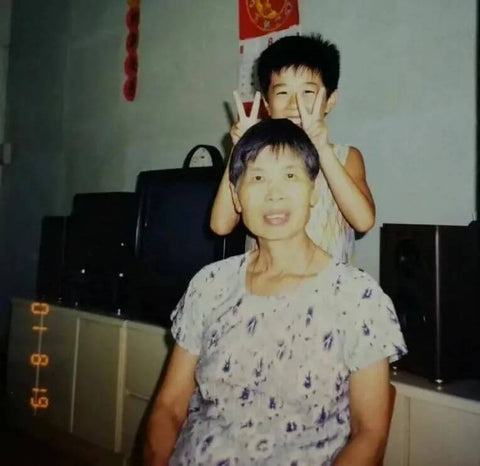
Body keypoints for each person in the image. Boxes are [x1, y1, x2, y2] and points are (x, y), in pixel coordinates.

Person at [144, 119, 407, 465]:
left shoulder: (359, 298)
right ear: (236, 197)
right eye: (257, 177)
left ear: (314, 191)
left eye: (290, 176)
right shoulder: (209, 285)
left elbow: (369, 433)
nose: (274, 194)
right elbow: (168, 407)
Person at [211, 34, 375, 263]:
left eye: (307, 92)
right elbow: (220, 225)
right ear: (267, 105)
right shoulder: (256, 158)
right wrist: (241, 149)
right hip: (264, 288)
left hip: (327, 291)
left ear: (330, 101)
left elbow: (364, 221)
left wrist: (321, 148)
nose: (294, 105)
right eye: (282, 93)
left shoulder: (345, 157)